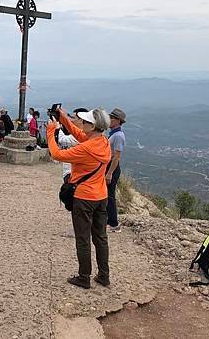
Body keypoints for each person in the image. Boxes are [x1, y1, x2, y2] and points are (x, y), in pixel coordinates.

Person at [46, 107, 111, 289]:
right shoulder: (103, 142)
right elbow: (77, 132)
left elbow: (57, 154)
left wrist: (51, 132)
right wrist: (62, 117)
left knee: (83, 238)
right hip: (101, 196)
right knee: (100, 237)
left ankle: (84, 277)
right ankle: (104, 276)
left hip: (84, 198)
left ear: (92, 126)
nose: (81, 124)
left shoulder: (86, 148)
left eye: (85, 122)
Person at [106, 108, 127, 232]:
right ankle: (109, 221)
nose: (109, 120)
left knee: (110, 195)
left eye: (111, 118)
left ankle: (113, 223)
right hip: (109, 167)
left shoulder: (118, 136)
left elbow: (117, 156)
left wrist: (109, 173)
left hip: (112, 168)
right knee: (107, 195)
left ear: (118, 121)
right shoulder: (113, 134)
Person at [55, 108, 88, 179]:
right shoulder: (84, 133)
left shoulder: (82, 135)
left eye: (73, 117)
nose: (70, 119)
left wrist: (57, 127)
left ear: (81, 120)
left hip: (72, 173)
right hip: (73, 171)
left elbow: (62, 140)